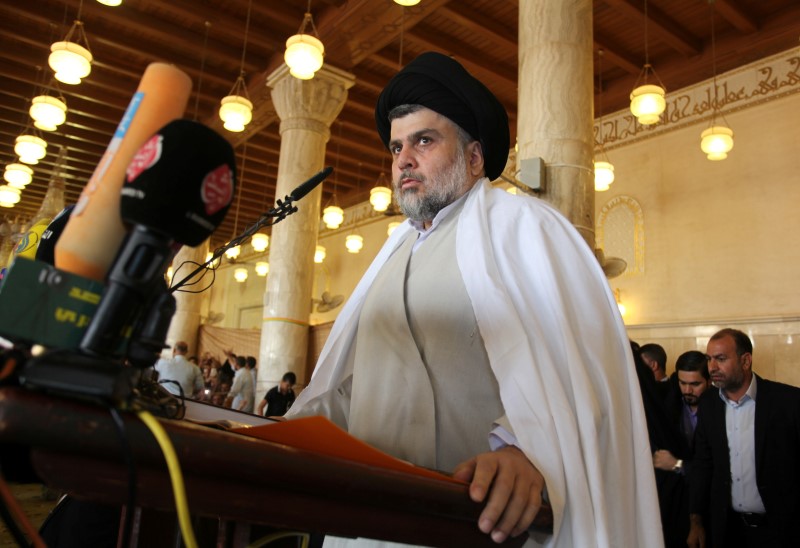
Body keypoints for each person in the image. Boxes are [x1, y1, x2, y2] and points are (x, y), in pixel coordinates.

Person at [285, 51, 660, 547]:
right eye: (396, 147)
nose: (404, 160)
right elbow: (350, 387)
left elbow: (578, 372)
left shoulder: (524, 228)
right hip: (369, 523)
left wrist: (523, 451)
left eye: (424, 140)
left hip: (474, 520)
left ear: (474, 156)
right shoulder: (388, 255)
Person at [688, 328, 800, 548]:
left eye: (721, 359)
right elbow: (703, 464)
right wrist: (696, 520)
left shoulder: (789, 402)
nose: (712, 367)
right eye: (709, 359)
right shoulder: (709, 404)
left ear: (746, 360)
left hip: (782, 530)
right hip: (729, 531)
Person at [653, 350, 709, 547]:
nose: (687, 390)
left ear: (709, 381)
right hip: (674, 505)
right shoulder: (670, 407)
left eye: (695, 384)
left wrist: (677, 464)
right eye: (682, 383)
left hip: (706, 504)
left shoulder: (718, 410)